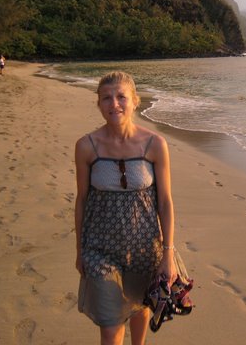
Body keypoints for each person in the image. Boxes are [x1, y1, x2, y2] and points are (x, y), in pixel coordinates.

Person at [74, 71, 177, 345]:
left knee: (140, 309)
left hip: (144, 247)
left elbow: (165, 202)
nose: (114, 104)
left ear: (135, 101)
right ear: (99, 104)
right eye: (106, 98)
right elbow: (82, 199)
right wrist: (80, 250)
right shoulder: (86, 147)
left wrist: (168, 253)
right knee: (110, 326)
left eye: (121, 97)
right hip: (99, 248)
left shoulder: (155, 145)